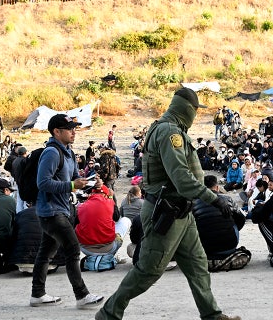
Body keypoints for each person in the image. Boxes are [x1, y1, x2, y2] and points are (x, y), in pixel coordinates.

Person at [96, 87, 240, 320]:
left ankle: (212, 314)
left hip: (182, 213)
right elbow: (182, 179)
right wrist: (215, 199)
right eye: (194, 109)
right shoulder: (169, 133)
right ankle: (109, 313)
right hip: (167, 214)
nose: (195, 114)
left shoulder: (170, 129)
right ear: (186, 109)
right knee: (148, 272)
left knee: (197, 265)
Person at [30, 114, 104, 308]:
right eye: (69, 128)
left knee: (45, 253)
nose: (74, 132)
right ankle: (82, 296)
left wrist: (91, 183)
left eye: (74, 128)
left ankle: (37, 294)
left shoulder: (68, 153)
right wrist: (71, 184)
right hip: (51, 211)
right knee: (72, 250)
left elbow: (74, 180)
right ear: (57, 131)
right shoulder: (52, 153)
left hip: (61, 209)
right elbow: (43, 183)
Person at [193, 175, 247, 269]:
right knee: (232, 221)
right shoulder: (227, 200)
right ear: (217, 187)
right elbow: (241, 219)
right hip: (228, 247)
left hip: (205, 249)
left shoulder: (195, 203)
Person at [76, 185, 131, 267]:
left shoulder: (81, 206)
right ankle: (111, 256)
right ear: (106, 195)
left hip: (86, 249)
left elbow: (75, 225)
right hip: (108, 248)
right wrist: (111, 197)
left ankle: (94, 258)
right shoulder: (109, 202)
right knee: (126, 220)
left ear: (91, 194)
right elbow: (116, 217)